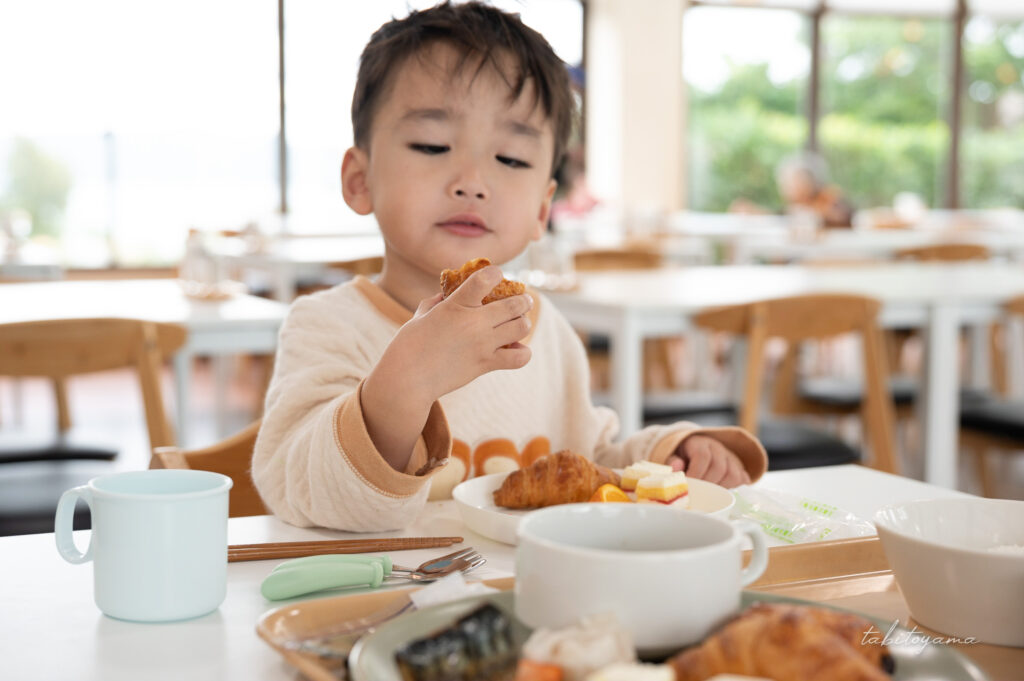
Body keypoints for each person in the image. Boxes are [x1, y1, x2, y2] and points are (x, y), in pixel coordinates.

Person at [252, 1, 767, 532]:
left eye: (512, 159)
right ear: (360, 181)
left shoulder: (546, 333)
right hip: (381, 601)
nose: (474, 180)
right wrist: (406, 381)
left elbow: (592, 461)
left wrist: (673, 453)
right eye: (433, 145)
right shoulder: (326, 326)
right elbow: (304, 491)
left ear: (543, 209)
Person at [731, 152, 854, 229]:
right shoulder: (795, 206)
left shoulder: (829, 196)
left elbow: (845, 217)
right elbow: (779, 217)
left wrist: (815, 217)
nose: (787, 188)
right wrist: (753, 211)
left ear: (808, 181)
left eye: (792, 182)